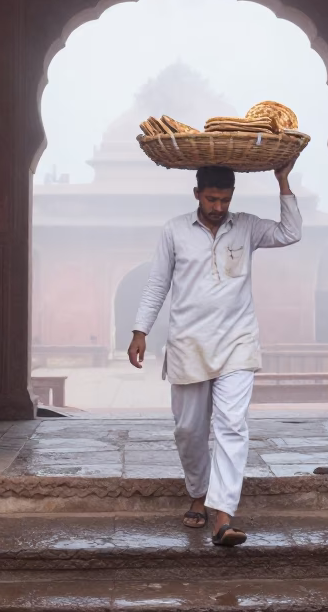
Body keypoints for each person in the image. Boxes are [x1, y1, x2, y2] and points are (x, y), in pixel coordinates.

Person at [128, 160, 301, 547]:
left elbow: (291, 232)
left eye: (224, 199)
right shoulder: (175, 230)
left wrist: (283, 182)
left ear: (232, 196)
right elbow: (157, 283)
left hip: (237, 343)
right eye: (211, 198)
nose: (218, 207)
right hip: (188, 343)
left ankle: (223, 515)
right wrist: (140, 331)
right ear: (196, 195)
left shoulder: (248, 225)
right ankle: (199, 492)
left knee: (232, 426)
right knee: (189, 430)